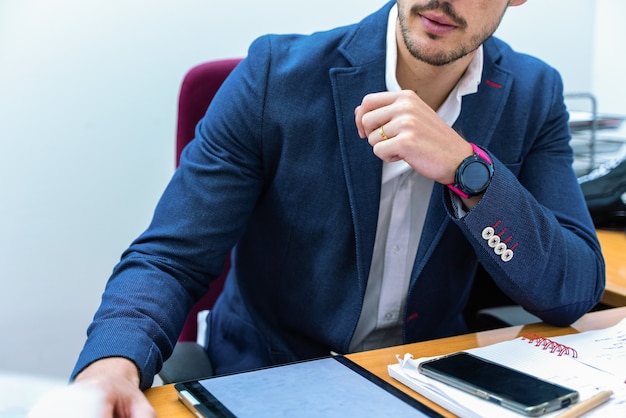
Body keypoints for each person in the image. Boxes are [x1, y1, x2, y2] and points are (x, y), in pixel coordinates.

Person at [70, 1, 605, 416]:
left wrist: (470, 171)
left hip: (430, 384)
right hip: (272, 379)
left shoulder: (534, 94)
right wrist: (110, 365)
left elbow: (573, 289)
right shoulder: (274, 77)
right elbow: (171, 258)